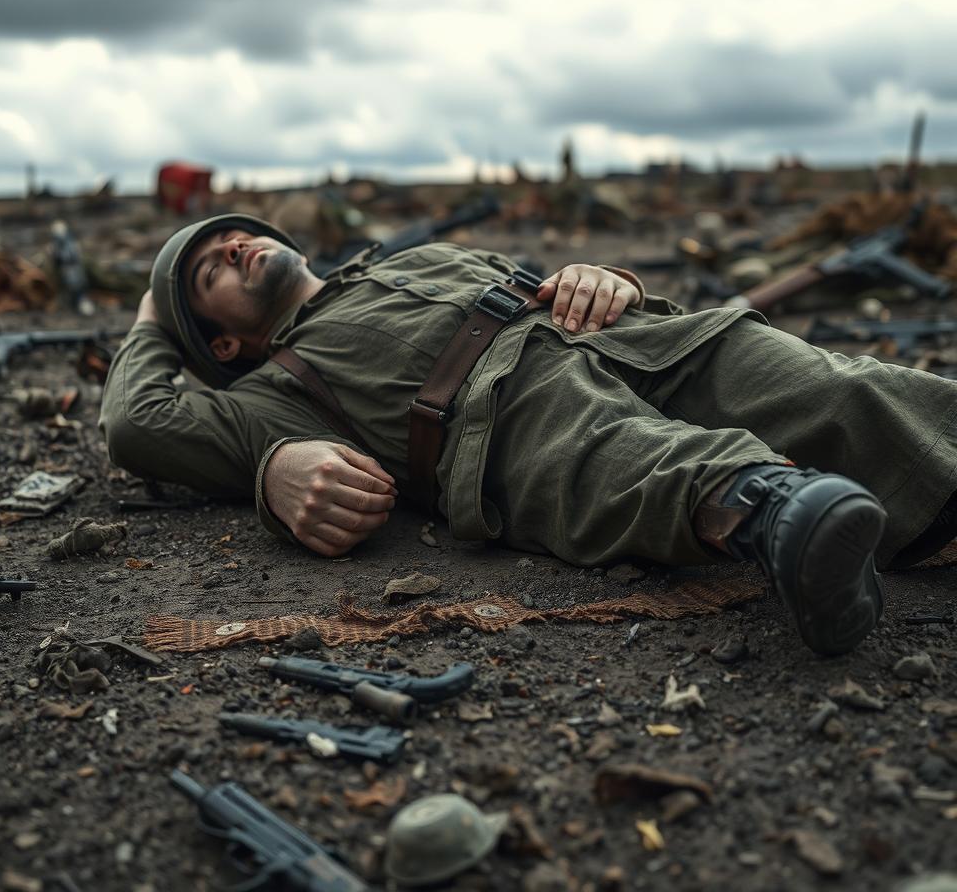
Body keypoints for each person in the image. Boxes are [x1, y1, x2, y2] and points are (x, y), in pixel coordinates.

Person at [100, 213, 957, 657]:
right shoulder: (264, 396)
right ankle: (782, 518)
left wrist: (601, 277)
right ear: (219, 342)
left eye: (232, 234)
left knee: (832, 385)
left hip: (622, 338)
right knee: (627, 455)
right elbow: (136, 422)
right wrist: (151, 313)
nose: (233, 244)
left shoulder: (414, 258)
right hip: (500, 418)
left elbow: (544, 285)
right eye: (209, 268)